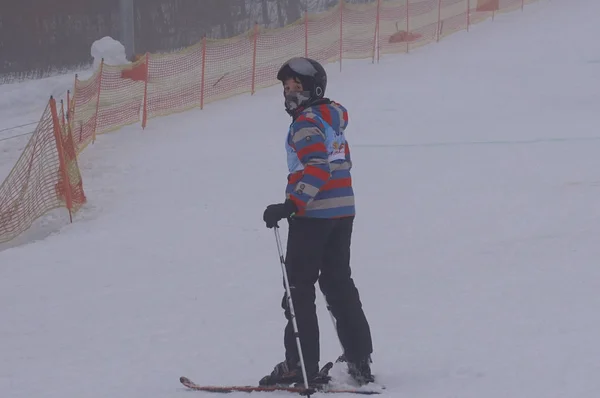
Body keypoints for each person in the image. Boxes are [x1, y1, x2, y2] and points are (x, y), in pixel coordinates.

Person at [260, 57, 374, 387]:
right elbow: (338, 163)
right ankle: (358, 358)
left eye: (297, 87)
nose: (290, 94)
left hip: (314, 215)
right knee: (338, 282)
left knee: (298, 288)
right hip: (342, 212)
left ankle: (300, 366)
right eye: (286, 88)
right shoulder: (331, 121)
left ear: (315, 89)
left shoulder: (305, 124)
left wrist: (291, 204)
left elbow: (318, 167)